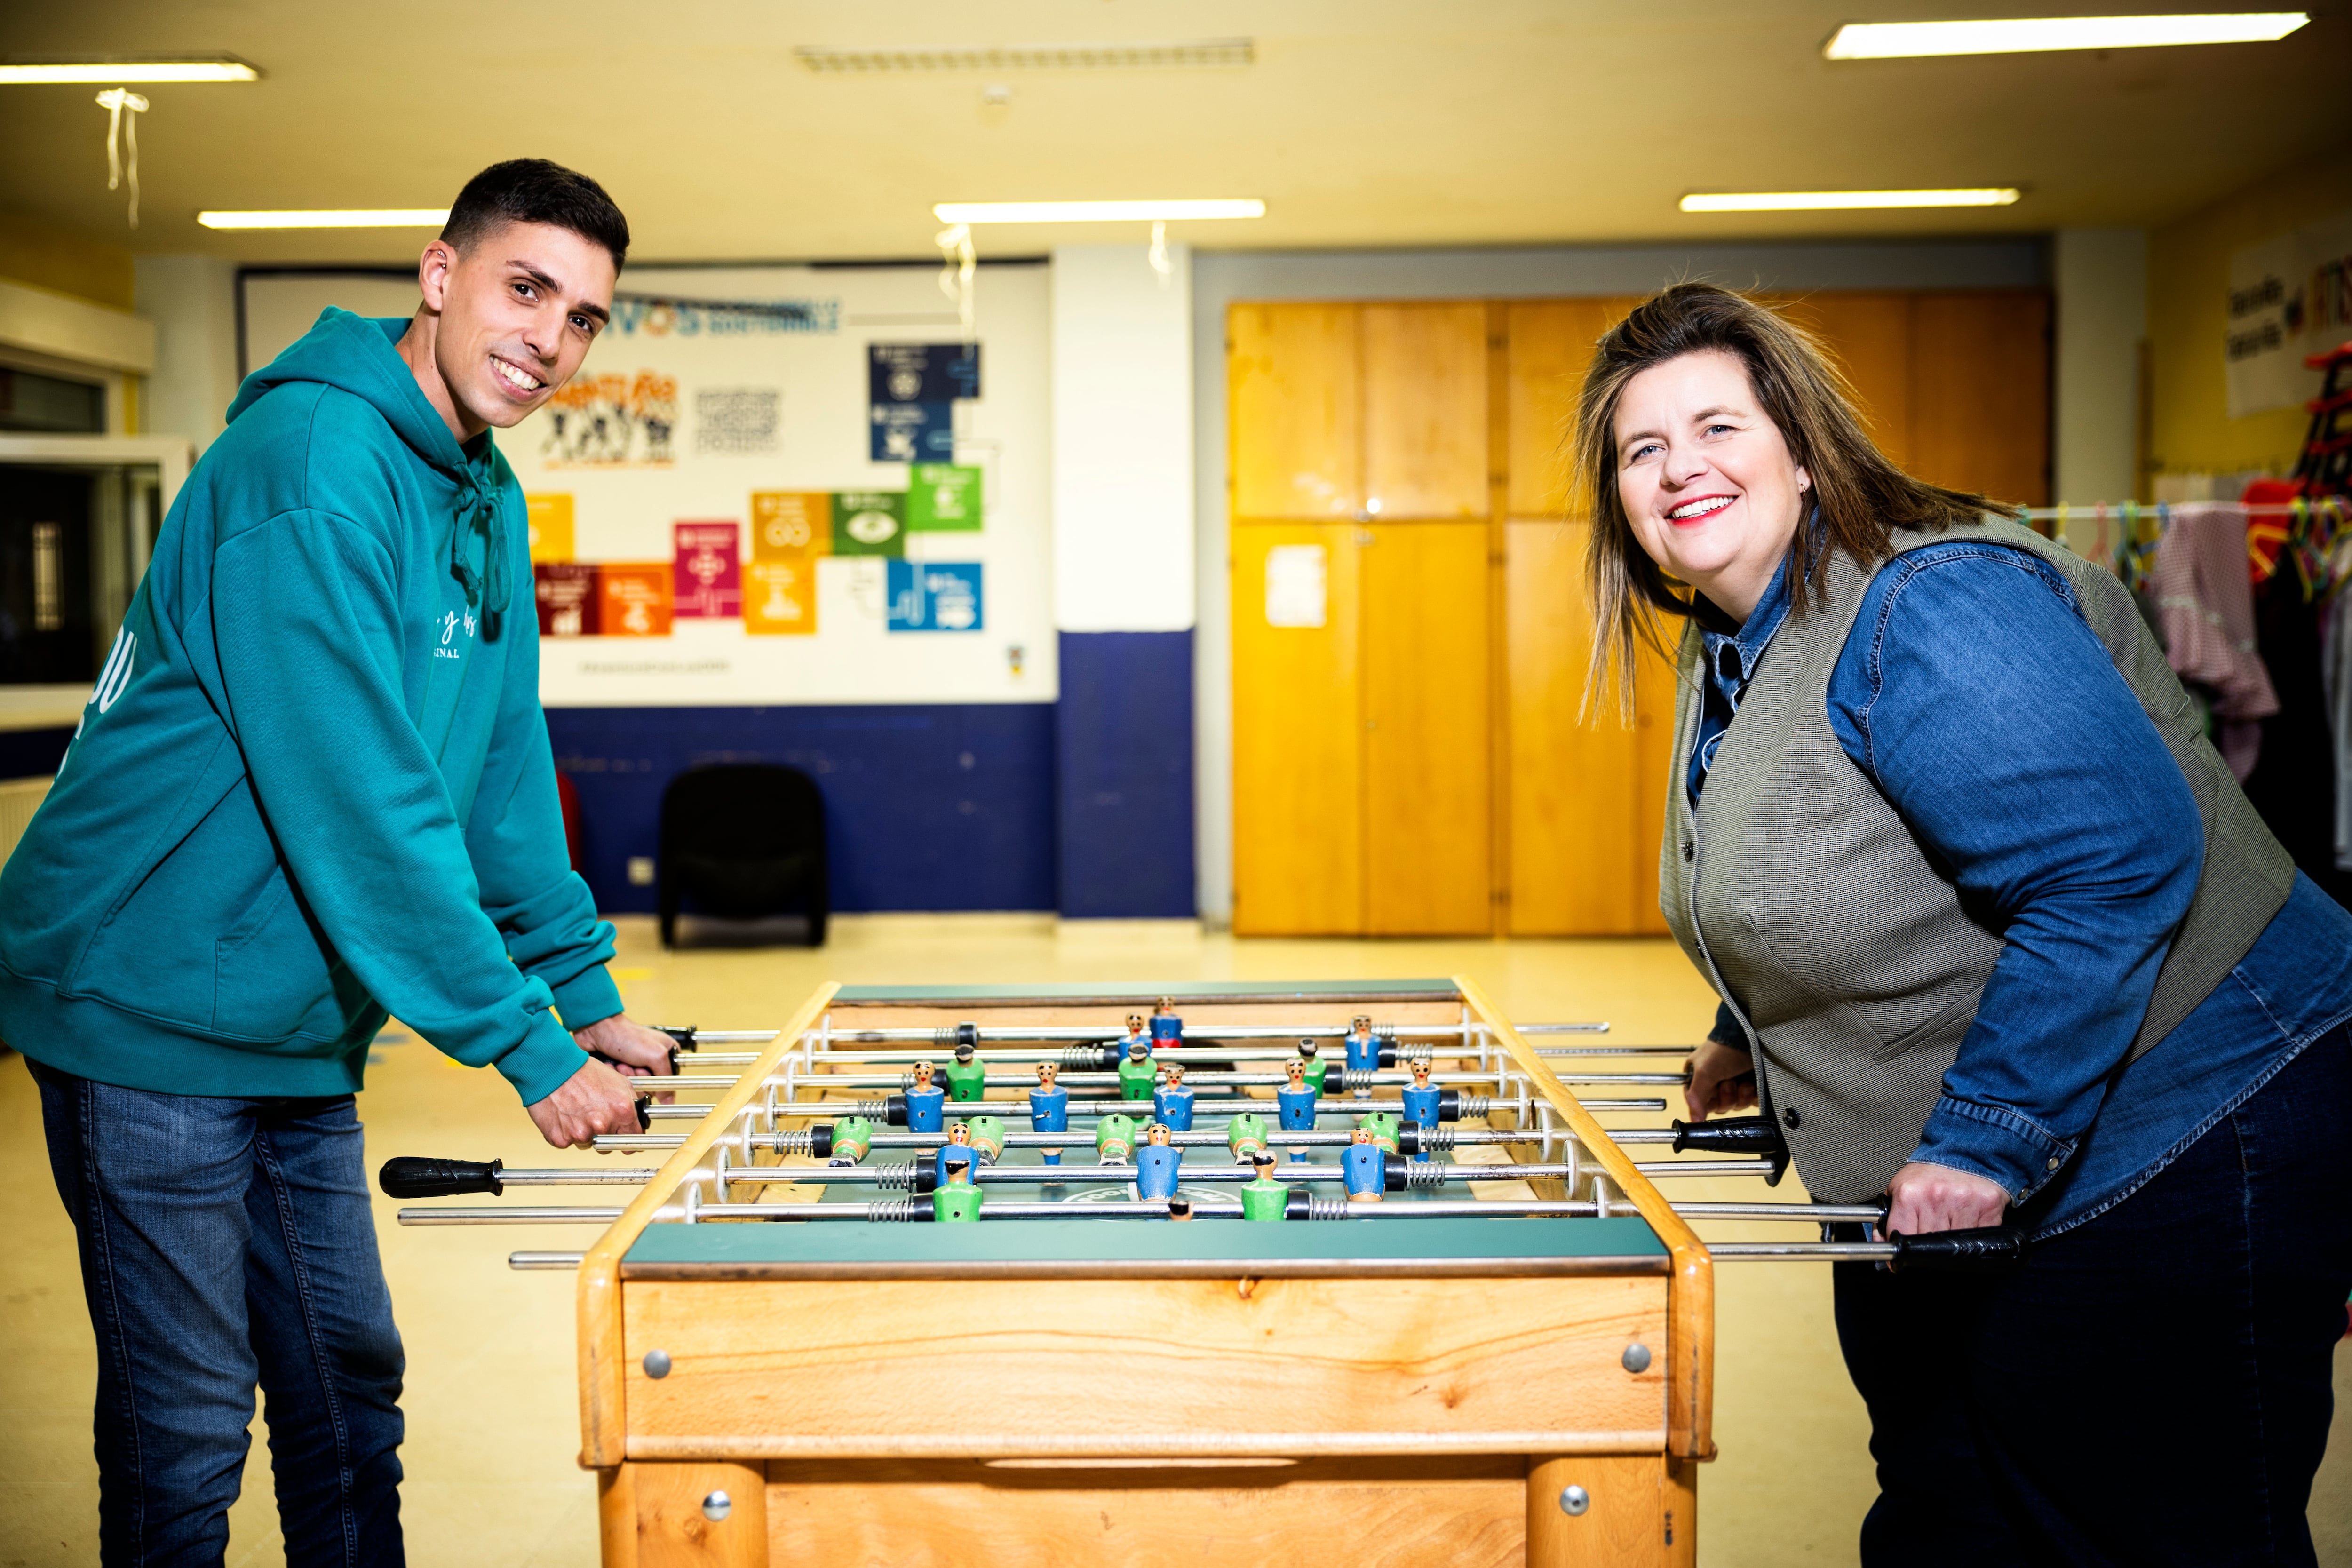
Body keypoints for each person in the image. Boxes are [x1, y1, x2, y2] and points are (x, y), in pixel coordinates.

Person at [1574, 282, 2352, 1566]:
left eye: (1718, 427)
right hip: (1963, 1184)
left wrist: (1989, 1135)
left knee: (2147, 1531)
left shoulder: (1926, 601)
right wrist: (1751, 1036)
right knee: (1954, 1518)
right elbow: (1823, 856)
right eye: (1642, 448)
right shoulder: (1743, 638)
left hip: (2186, 1123)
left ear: (1806, 453)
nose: (1680, 469)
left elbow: (2113, 865)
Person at [0, 159, 679, 1566]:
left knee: (344, 1387)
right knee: (189, 1428)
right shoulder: (312, 470)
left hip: (296, 1021)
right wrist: (527, 1049)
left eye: (586, 317)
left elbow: (495, 773)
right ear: (441, 279)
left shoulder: (484, 496)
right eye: (525, 287)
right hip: (145, 1007)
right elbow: (361, 805)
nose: (550, 338)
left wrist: (586, 987)